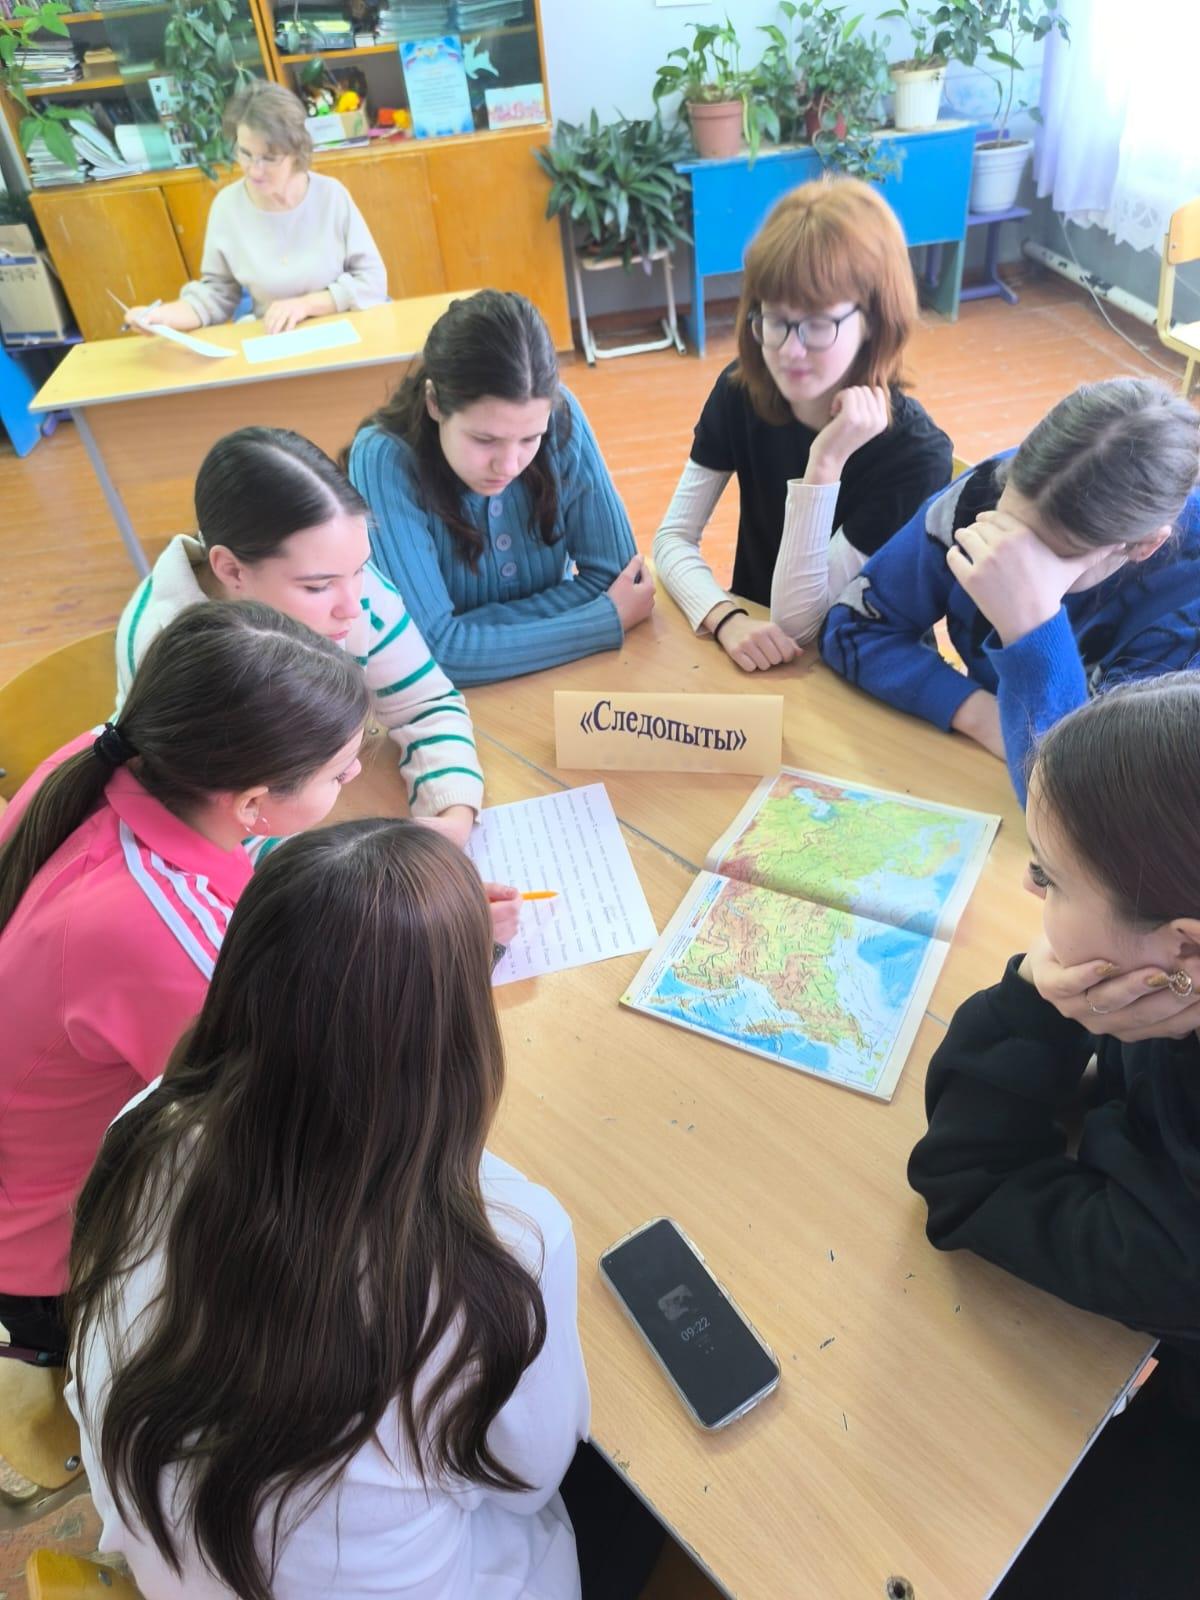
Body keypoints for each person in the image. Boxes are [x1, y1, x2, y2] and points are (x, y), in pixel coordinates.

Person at [67, 818, 591, 1599]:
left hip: (169, 1560)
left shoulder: (148, 1119)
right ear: (458, 1033)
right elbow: (528, 1483)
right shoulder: (509, 1240)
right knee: (607, 1507)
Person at [0, 602, 370, 1365]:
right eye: (340, 772)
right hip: (54, 1265)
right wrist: (426, 947)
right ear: (252, 803)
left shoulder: (110, 755)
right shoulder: (163, 935)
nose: (358, 775)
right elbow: (292, 1123)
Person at [908, 674, 1200, 1597]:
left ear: (1184, 946)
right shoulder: (1176, 996)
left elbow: (968, 1182)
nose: (1029, 888)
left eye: (1049, 878)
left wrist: (1038, 1000)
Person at [821, 376, 1200, 802]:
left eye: (1050, 555)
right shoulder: (990, 491)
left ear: (1146, 545)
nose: (1008, 559)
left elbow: (1083, 804)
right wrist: (983, 717)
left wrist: (1033, 629)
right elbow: (853, 627)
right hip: (977, 776)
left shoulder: (1186, 615)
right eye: (1007, 523)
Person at [117, 427, 486, 851]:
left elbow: (426, 705)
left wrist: (451, 816)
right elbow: (215, 825)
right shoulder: (168, 650)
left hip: (325, 805)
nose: (353, 605)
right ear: (232, 570)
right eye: (317, 587)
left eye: (360, 568)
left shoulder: (345, 581)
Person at [652, 177, 952, 672]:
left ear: (873, 320)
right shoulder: (741, 391)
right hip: (755, 652)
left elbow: (800, 625)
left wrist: (825, 463)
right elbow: (671, 540)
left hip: (865, 671)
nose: (789, 351)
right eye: (774, 319)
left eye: (817, 324)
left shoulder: (916, 454)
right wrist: (725, 617)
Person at [347, 288, 655, 686]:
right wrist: (601, 619)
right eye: (484, 439)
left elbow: (619, 579)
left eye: (530, 438)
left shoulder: (560, 414)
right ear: (434, 403)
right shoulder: (383, 458)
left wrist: (465, 637)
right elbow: (429, 651)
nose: (509, 465)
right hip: (453, 705)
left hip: (563, 677)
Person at [125, 82, 386, 337]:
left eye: (269, 159)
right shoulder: (228, 207)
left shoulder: (331, 196)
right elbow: (216, 294)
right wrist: (160, 317)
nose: (254, 170)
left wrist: (305, 305)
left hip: (343, 332)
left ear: (297, 153)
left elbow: (373, 280)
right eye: (245, 153)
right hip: (275, 339)